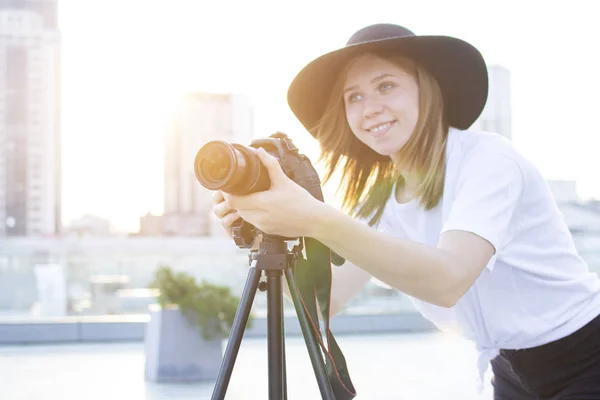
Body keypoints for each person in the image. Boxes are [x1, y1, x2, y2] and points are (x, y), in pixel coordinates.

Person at [212, 23, 600, 399]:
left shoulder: (489, 159)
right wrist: (273, 233)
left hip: (586, 354)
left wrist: (314, 216)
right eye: (354, 97)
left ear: (426, 91)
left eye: (386, 86)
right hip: (508, 369)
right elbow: (324, 301)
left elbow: (448, 279)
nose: (370, 108)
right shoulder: (379, 200)